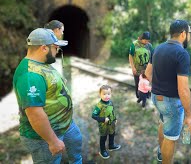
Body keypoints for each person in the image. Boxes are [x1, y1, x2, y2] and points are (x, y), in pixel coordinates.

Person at [13, 28, 82, 163]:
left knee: (76, 154)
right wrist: (53, 141)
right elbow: (35, 114)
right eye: (55, 47)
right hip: (44, 137)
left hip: (64, 125)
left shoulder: (41, 62)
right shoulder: (30, 75)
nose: (57, 51)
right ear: (44, 48)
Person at [145, 20, 191, 164]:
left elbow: (147, 73)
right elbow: (183, 90)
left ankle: (161, 152)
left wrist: (159, 85)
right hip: (171, 103)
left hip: (156, 98)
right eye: (189, 34)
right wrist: (189, 116)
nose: (189, 36)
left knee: (163, 122)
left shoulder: (158, 48)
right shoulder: (182, 53)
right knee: (171, 138)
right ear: (183, 34)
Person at [92, 84, 121, 159]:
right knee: (103, 137)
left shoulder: (110, 102)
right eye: (104, 94)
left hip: (111, 123)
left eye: (108, 94)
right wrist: (103, 119)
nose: (106, 96)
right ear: (100, 94)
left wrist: (115, 119)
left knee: (112, 134)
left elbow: (112, 111)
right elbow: (94, 116)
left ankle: (111, 145)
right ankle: (102, 150)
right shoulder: (99, 105)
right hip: (103, 126)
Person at [129, 31, 153, 99]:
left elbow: (152, 55)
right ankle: (138, 96)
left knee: (147, 82)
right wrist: (133, 67)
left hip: (146, 69)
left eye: (148, 40)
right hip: (137, 68)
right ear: (140, 38)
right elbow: (130, 56)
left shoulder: (149, 45)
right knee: (138, 83)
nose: (147, 42)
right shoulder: (134, 44)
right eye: (145, 40)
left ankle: (147, 95)